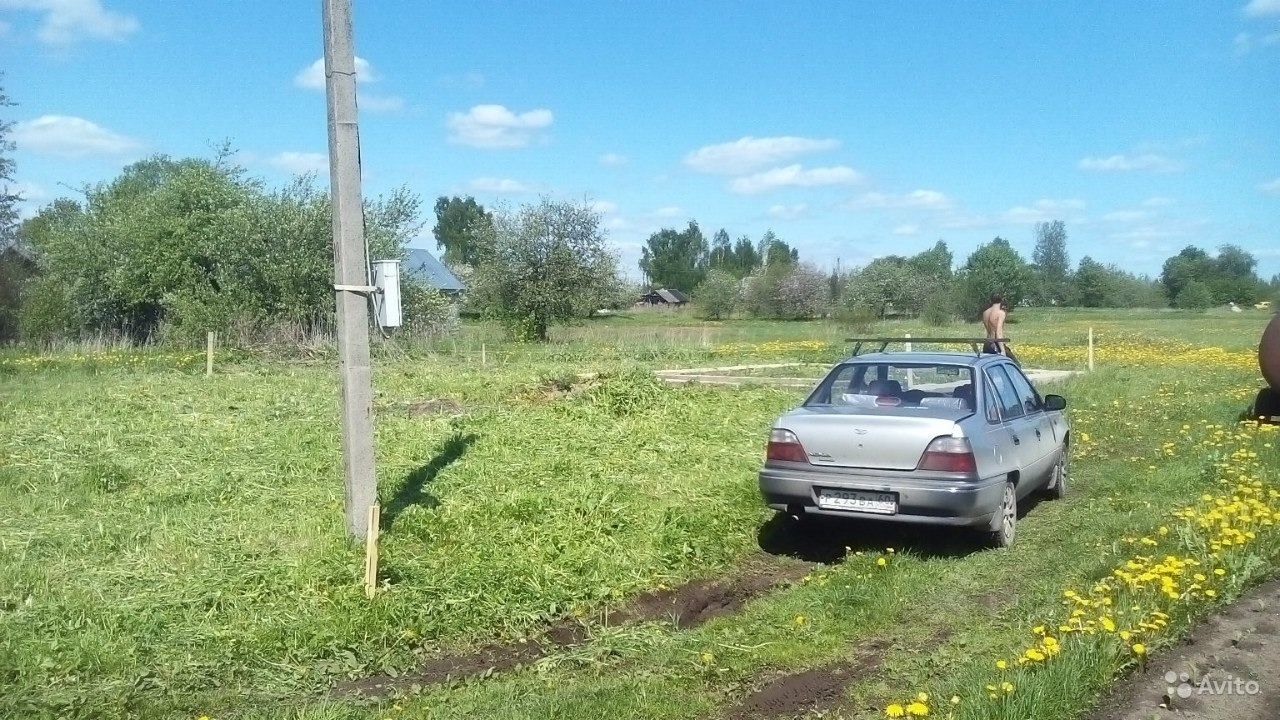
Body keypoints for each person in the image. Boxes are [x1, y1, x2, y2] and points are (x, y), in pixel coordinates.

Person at [981, 294, 1019, 364]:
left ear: (991, 300)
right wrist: (1002, 350)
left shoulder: (985, 313)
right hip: (995, 343)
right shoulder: (1000, 313)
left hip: (987, 343)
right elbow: (998, 332)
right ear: (1001, 300)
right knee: (1015, 364)